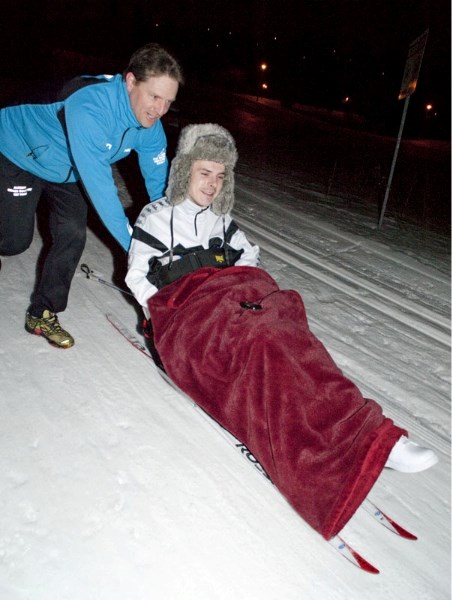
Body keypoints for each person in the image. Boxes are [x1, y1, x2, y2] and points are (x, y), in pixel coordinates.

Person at [125, 123, 438, 540]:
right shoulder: (157, 217)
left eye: (221, 176)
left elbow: (250, 257)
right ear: (184, 171)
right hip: (190, 323)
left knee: (285, 337)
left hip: (230, 308)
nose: (213, 185)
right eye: (204, 173)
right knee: (265, 342)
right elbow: (137, 277)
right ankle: (367, 437)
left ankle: (358, 433)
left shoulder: (223, 221)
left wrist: (241, 288)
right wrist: (166, 316)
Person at [0, 42, 184, 348]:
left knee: (72, 231)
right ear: (130, 82)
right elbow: (103, 194)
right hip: (18, 151)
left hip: (66, 166)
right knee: (14, 241)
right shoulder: (90, 107)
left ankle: (42, 312)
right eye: (154, 96)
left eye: (168, 101)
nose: (160, 110)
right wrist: (139, 249)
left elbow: (159, 188)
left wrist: (171, 234)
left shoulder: (150, 125)